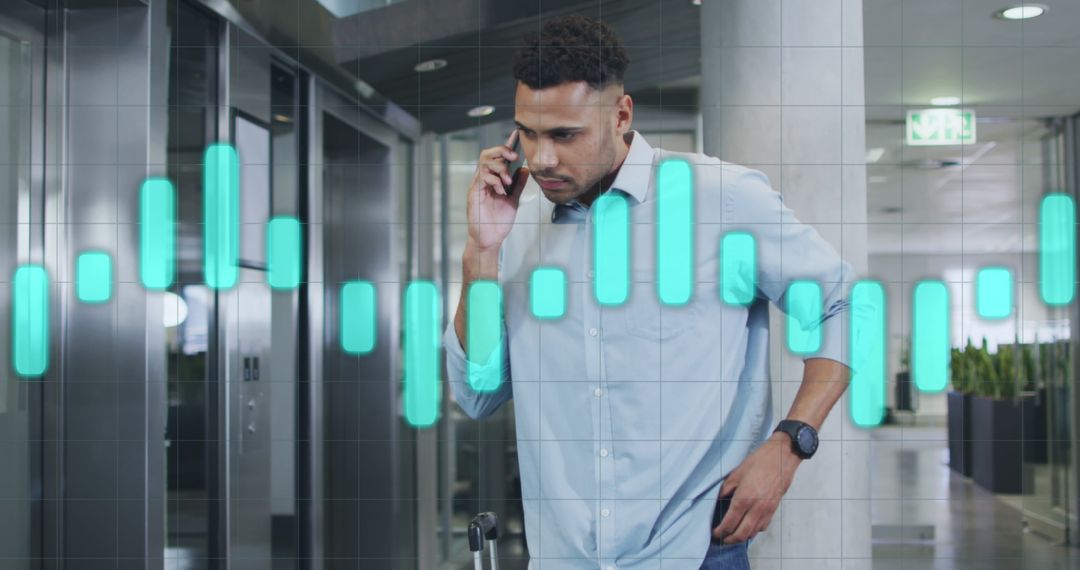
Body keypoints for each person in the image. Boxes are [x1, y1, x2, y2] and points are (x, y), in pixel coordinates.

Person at [442, 14, 854, 570]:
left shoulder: (722, 199)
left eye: (565, 135)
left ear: (621, 115)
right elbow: (478, 394)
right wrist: (482, 252)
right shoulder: (516, 228)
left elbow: (843, 304)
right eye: (529, 134)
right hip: (564, 558)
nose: (541, 159)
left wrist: (790, 444)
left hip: (696, 552)